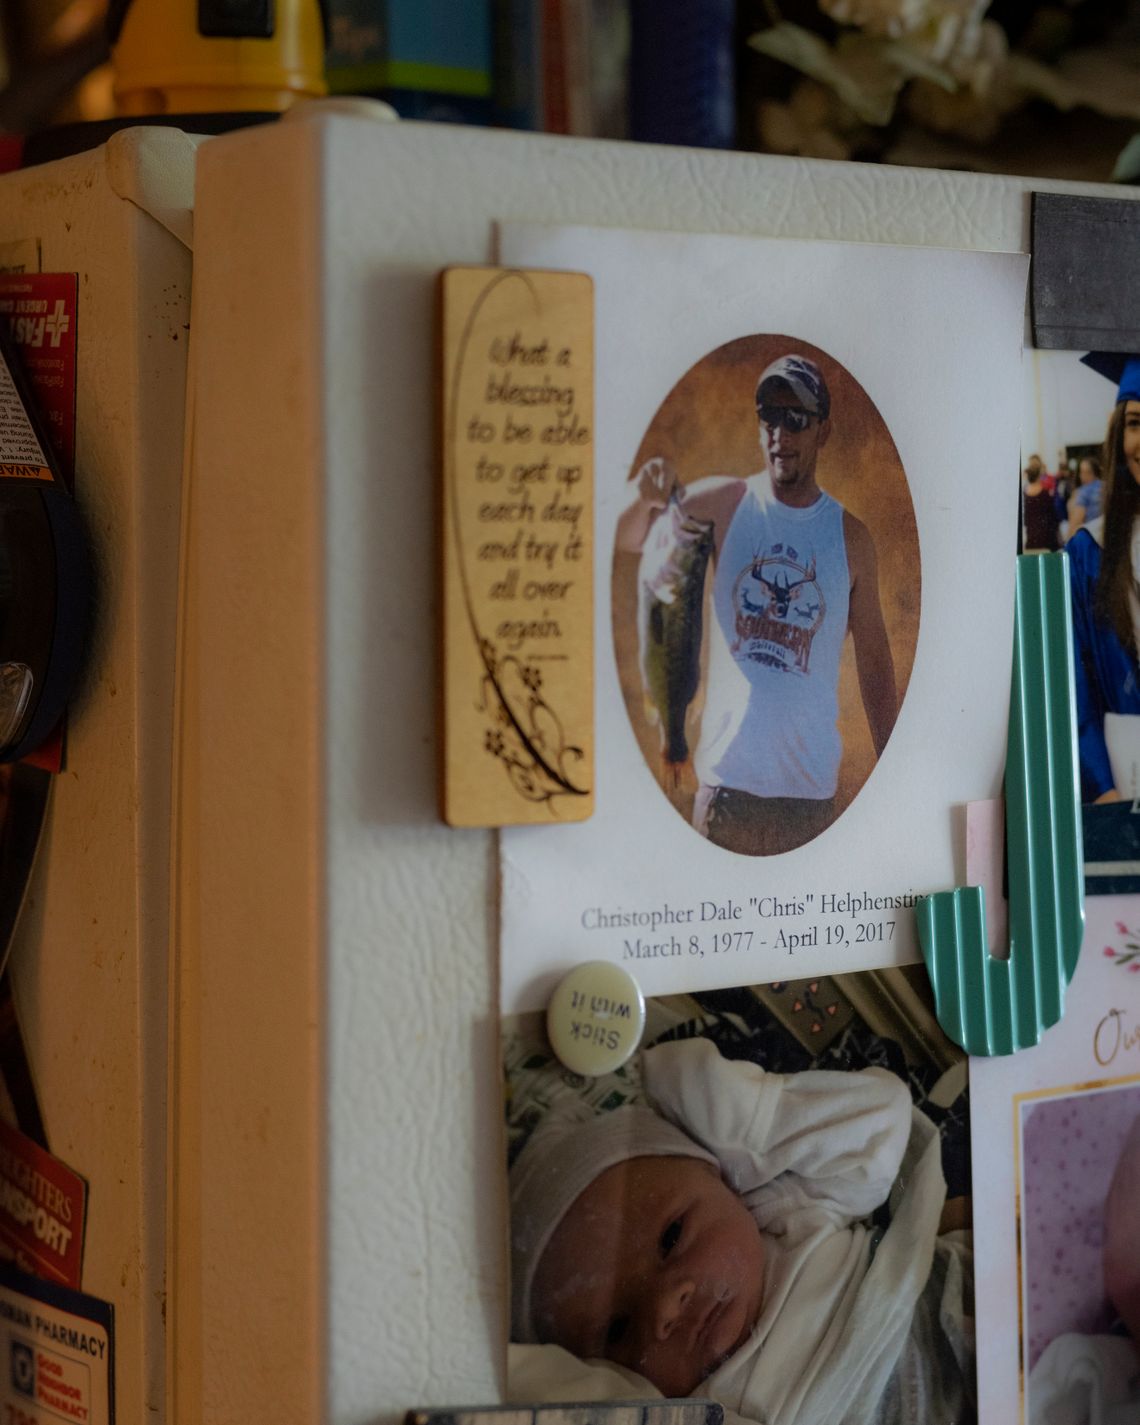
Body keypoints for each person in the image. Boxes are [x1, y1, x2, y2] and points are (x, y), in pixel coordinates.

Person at [510, 1037, 974, 1425]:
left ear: (722, 1175)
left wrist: (751, 1121)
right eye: (618, 1327)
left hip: (950, 1315)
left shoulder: (791, 1217)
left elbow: (878, 1128)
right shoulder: (691, 1407)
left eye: (672, 1238)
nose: (667, 1307)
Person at [617, 354, 898, 855]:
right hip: (725, 791)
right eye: (769, 416)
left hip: (811, 802)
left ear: (823, 431)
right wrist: (644, 498)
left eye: (796, 420)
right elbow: (630, 537)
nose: (780, 434)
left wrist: (896, 771)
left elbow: (875, 663)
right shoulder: (725, 502)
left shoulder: (851, 538)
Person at [1066, 355, 1140, 802]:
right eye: (1136, 422)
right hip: (1121, 791)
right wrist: (1100, 786)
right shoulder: (1088, 552)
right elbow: (1074, 684)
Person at [1023, 460, 1060, 552]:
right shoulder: (1045, 493)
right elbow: (1052, 516)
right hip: (1045, 536)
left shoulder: (1024, 493)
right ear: (1039, 476)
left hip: (1031, 535)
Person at [1068, 454, 1104, 534]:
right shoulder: (1106, 486)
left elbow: (1074, 524)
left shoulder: (1083, 492)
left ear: (1094, 473)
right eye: (1082, 472)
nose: (1083, 476)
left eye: (1087, 472)